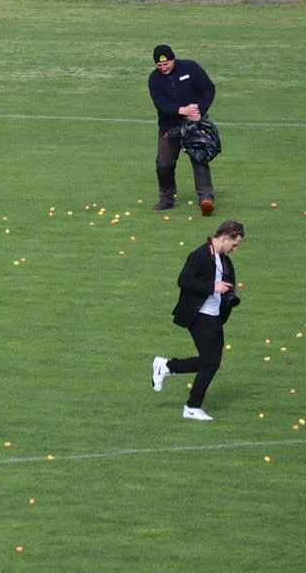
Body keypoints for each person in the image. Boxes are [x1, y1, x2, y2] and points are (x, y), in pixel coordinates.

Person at [151, 220, 245, 421]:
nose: (234, 249)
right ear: (225, 237)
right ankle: (192, 406)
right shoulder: (199, 255)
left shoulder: (224, 260)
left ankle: (166, 367)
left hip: (214, 317)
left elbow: (227, 284)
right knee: (211, 363)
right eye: (234, 244)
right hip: (198, 315)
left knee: (210, 361)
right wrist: (212, 287)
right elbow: (183, 281)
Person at [147, 44, 217, 216]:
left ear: (173, 59)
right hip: (169, 126)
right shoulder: (154, 79)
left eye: (166, 63)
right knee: (164, 163)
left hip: (194, 124)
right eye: (159, 65)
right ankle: (166, 198)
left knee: (199, 158)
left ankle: (206, 198)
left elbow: (209, 89)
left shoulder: (191, 68)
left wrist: (199, 111)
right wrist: (181, 110)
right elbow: (160, 104)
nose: (163, 68)